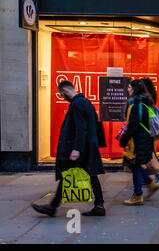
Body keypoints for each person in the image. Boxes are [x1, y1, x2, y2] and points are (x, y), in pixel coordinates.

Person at [31, 80, 106, 216]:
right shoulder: (86, 102)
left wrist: (77, 149)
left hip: (81, 148)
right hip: (88, 146)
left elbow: (81, 127)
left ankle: (53, 207)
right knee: (90, 175)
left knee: (68, 175)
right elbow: (95, 123)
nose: (62, 97)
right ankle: (99, 205)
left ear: (64, 90)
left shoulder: (77, 104)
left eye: (61, 94)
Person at [120, 79, 158, 205]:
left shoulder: (135, 105)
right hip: (144, 139)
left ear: (135, 89)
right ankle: (149, 183)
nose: (128, 89)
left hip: (137, 141)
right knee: (134, 165)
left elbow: (133, 126)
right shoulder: (146, 103)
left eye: (130, 87)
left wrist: (124, 139)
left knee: (135, 165)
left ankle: (138, 195)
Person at [141, 78, 159, 185]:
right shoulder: (151, 96)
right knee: (149, 153)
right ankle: (147, 176)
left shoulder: (145, 98)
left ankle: (157, 173)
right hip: (151, 129)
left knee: (147, 154)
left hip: (147, 129)